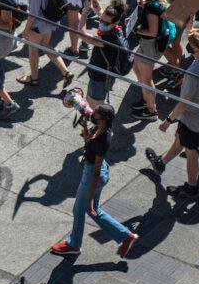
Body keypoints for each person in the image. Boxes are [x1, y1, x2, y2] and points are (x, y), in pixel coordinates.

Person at [49, 104, 139, 259]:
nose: (93, 113)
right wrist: (85, 131)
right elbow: (88, 148)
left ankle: (73, 245)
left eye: (96, 113)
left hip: (92, 174)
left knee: (80, 209)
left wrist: (89, 199)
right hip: (94, 171)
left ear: (103, 118)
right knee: (92, 210)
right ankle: (126, 237)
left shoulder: (103, 139)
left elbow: (96, 172)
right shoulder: (99, 128)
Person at [147, 28, 199, 197]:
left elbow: (183, 103)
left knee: (191, 152)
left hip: (192, 117)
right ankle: (161, 163)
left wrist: (168, 120)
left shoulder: (192, 74)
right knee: (180, 139)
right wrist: (191, 28)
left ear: (196, 48)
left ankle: (192, 187)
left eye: (190, 44)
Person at [18, 0, 74, 88]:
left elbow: (33, 13)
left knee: (33, 51)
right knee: (46, 46)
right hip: (50, 21)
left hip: (38, 25)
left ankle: (34, 79)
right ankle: (66, 72)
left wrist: (25, 30)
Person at [131, 0, 169, 119]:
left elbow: (153, 32)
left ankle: (152, 111)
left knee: (147, 79)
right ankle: (147, 99)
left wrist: (137, 30)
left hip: (149, 44)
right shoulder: (151, 0)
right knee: (136, 68)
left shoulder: (153, 6)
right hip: (147, 44)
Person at [78, 0, 127, 109]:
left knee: (96, 104)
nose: (102, 23)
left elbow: (81, 34)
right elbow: (99, 9)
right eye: (101, 20)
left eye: (105, 23)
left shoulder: (108, 39)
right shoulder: (117, 29)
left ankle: (101, 124)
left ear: (114, 23)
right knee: (92, 100)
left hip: (100, 77)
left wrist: (84, 12)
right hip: (104, 74)